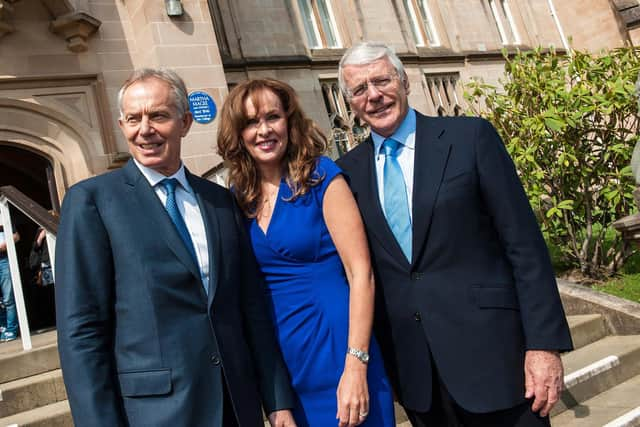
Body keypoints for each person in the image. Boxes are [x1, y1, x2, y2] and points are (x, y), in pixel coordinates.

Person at [336, 42, 574, 427]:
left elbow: (524, 246)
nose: (374, 95)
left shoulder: (470, 138)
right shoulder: (346, 173)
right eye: (360, 90)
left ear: (404, 80)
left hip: (499, 364)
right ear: (349, 102)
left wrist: (544, 346)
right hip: (420, 379)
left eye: (381, 80)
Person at [55, 68, 296, 427]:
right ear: (121, 126)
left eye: (158, 116)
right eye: (133, 118)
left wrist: (277, 401)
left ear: (184, 122)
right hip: (154, 414)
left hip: (236, 405)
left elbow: (250, 309)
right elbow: (82, 331)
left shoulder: (220, 202)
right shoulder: (92, 202)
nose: (145, 129)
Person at [217, 78, 395, 427]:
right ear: (238, 133)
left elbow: (362, 274)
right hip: (282, 359)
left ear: (290, 121)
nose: (264, 130)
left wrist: (357, 365)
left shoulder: (321, 177)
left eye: (273, 117)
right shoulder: (239, 195)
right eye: (251, 122)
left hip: (338, 348)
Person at [0, 224, 20, 342]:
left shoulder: (3, 218)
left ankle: (11, 330)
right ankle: (3, 329)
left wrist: (4, 245)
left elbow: (16, 236)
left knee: (8, 298)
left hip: (3, 260)